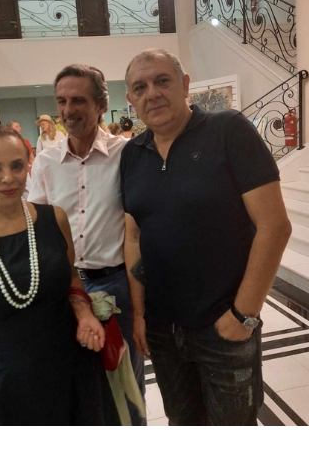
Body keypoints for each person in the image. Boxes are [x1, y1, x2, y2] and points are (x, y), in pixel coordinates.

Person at [120, 48, 292, 426]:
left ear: (184, 85)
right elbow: (133, 236)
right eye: (140, 87)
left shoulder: (228, 130)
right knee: (183, 424)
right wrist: (139, 313)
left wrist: (243, 315)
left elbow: (275, 226)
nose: (152, 93)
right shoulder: (132, 154)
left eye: (162, 81)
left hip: (223, 326)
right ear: (131, 99)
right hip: (163, 330)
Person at [0, 124, 120, 425]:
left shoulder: (54, 219)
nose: (8, 177)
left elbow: (70, 278)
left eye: (17, 166)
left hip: (68, 373)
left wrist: (83, 312)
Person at [29, 64, 146, 426]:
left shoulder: (126, 154)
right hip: (64, 288)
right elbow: (36, 227)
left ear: (101, 105)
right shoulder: (46, 162)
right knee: (74, 382)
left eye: (78, 100)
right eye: (61, 101)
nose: (68, 110)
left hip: (117, 284)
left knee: (125, 385)